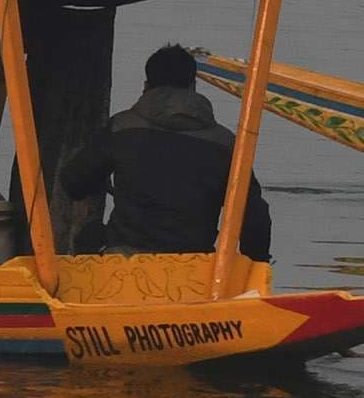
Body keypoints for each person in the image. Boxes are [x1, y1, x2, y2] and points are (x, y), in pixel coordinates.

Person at [57, 43, 272, 258]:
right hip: (195, 265)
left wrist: (103, 177)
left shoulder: (122, 127)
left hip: (124, 260)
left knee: (89, 236)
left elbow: (73, 181)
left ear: (146, 85)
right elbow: (255, 218)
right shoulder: (225, 143)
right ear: (193, 85)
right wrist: (255, 261)